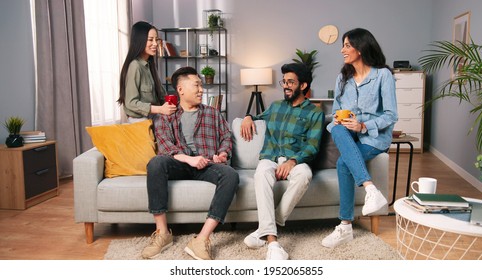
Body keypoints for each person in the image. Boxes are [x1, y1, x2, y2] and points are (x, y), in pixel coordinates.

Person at [141, 66, 239, 260]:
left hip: (207, 164)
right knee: (155, 163)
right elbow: (165, 146)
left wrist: (222, 153)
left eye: (201, 85)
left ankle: (201, 239)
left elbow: (226, 137)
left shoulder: (213, 113)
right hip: (180, 163)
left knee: (231, 175)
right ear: (180, 89)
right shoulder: (165, 114)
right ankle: (162, 233)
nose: (201, 89)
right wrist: (190, 159)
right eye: (197, 85)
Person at [322, 28, 398, 248]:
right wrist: (337, 119)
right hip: (348, 134)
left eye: (347, 45)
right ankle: (371, 189)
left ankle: (345, 226)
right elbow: (336, 110)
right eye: (343, 45)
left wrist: (363, 125)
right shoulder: (342, 78)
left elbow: (391, 115)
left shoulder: (383, 75)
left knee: (343, 162)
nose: (342, 50)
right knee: (335, 128)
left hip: (373, 138)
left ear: (361, 47)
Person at [240, 63, 324, 260]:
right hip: (270, 157)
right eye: (284, 81)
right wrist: (247, 117)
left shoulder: (315, 112)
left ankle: (264, 228)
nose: (285, 86)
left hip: (295, 159)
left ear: (303, 86)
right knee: (261, 174)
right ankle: (273, 242)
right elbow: (257, 116)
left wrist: (293, 161)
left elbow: (312, 146)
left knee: (305, 174)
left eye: (290, 82)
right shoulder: (276, 106)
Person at [117, 21, 176, 122]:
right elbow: (130, 103)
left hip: (153, 117)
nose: (155, 44)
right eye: (150, 40)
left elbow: (162, 95)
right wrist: (160, 109)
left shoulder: (149, 65)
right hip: (139, 121)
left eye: (156, 39)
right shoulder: (135, 66)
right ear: (139, 41)